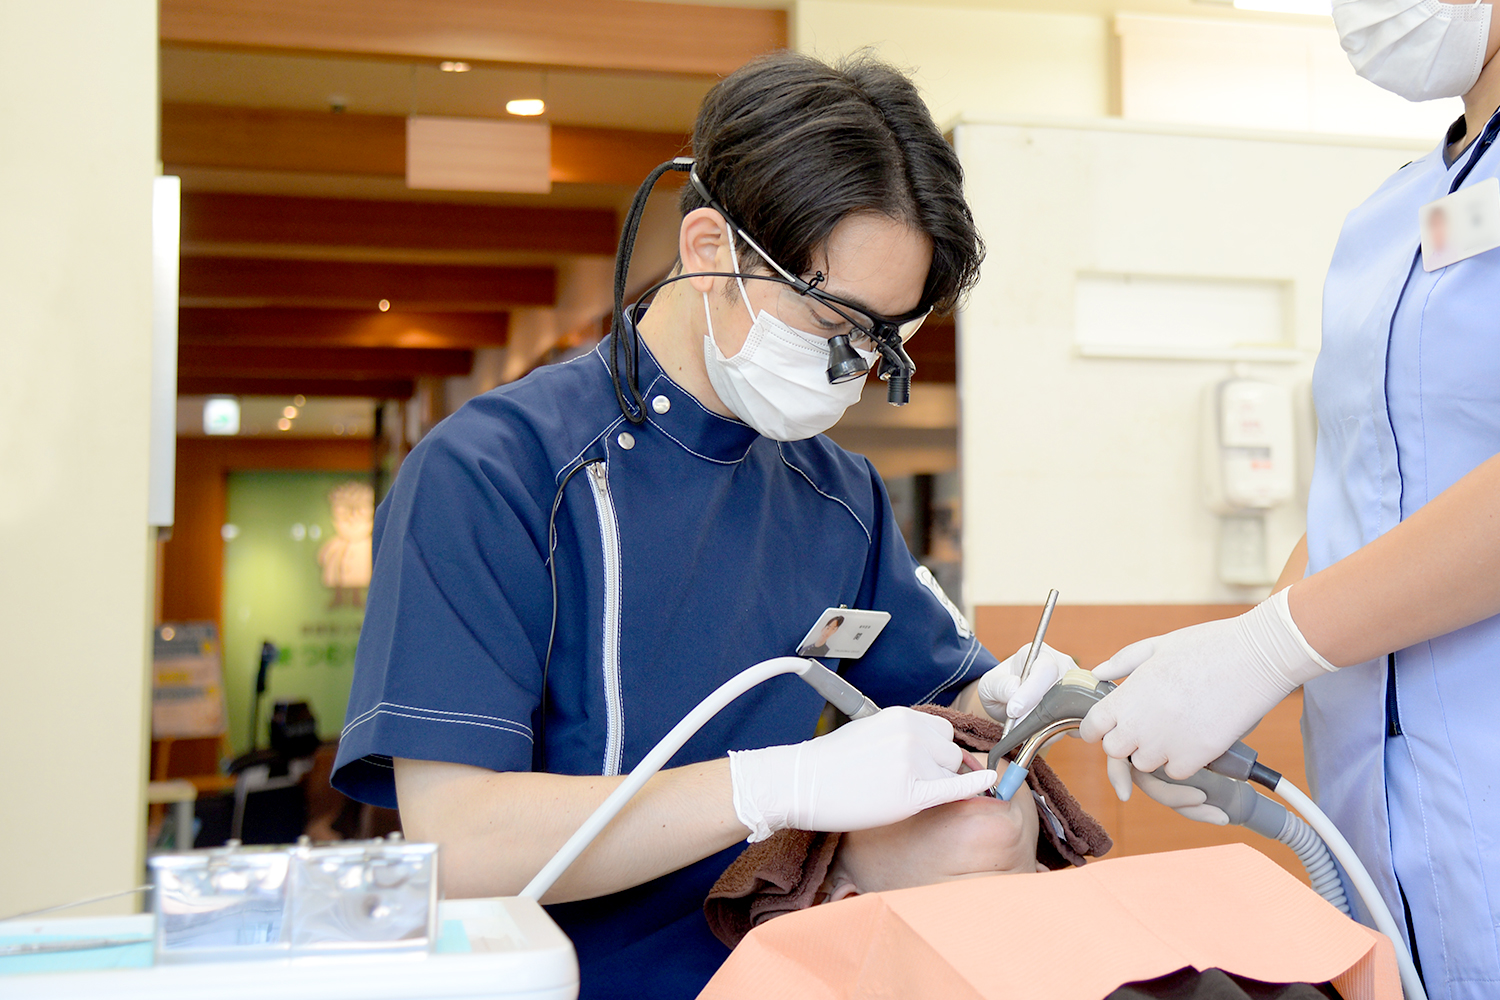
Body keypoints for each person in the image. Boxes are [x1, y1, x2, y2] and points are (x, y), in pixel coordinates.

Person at [332, 52, 1052, 1000]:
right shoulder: (494, 474)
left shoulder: (841, 496)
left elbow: (957, 717)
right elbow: (461, 846)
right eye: (836, 323)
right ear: (711, 248)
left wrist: (1029, 706)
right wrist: (772, 785)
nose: (854, 370)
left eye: (885, 340)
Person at [989, 4, 1500, 998]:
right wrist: (1242, 652)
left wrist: (1273, 647)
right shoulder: (1410, 212)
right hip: (1380, 822)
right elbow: (1376, 477)